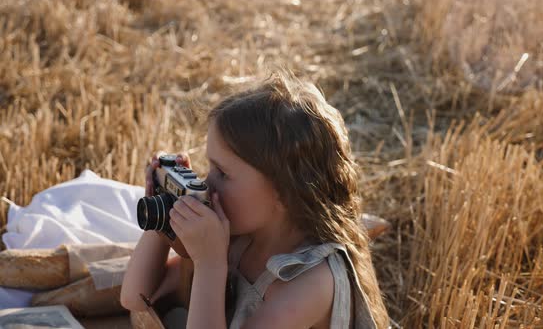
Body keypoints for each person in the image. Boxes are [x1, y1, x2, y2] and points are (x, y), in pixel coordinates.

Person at [120, 71, 389, 328]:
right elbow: (135, 298)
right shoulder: (241, 236)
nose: (207, 183)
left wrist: (209, 265)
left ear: (285, 193)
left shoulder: (310, 283)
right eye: (210, 167)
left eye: (223, 173)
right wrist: (164, 217)